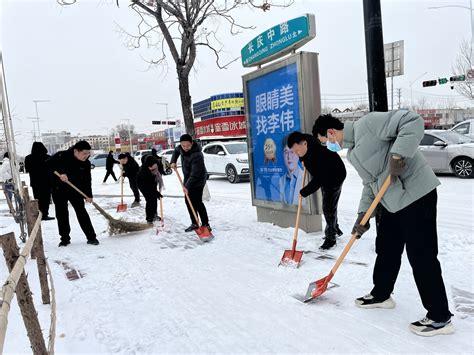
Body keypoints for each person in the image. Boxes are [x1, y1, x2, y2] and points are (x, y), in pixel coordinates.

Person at [312, 111, 454, 337]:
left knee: (421, 254)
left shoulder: (368, 124)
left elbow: (412, 121)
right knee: (386, 248)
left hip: (416, 194)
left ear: (330, 132)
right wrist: (363, 215)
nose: (329, 146)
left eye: (325, 142)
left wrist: (399, 154)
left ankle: (440, 317)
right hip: (391, 201)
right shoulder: (354, 153)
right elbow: (370, 184)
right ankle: (382, 294)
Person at [287, 129, 346, 250]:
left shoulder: (319, 154)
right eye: (294, 152)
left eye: (298, 151)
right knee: (330, 203)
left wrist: (304, 192)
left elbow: (319, 179)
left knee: (328, 207)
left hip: (335, 175)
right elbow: (304, 156)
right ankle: (335, 227)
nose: (297, 154)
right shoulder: (306, 144)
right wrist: (302, 159)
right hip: (325, 174)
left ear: (304, 143)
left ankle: (331, 238)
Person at [47, 141, 99, 246]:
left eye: (88, 153)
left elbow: (87, 180)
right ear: (76, 151)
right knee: (62, 214)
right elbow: (47, 165)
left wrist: (88, 195)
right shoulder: (61, 156)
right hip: (59, 190)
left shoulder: (86, 163)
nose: (86, 156)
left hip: (75, 190)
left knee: (81, 212)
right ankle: (64, 239)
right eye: (84, 153)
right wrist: (60, 173)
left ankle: (91, 237)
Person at [170, 134, 210, 232]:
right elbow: (176, 151)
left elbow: (195, 174)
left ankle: (206, 224)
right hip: (188, 178)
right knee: (188, 201)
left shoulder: (197, 155)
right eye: (183, 146)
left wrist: (186, 186)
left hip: (198, 179)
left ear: (192, 143)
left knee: (197, 201)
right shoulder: (181, 148)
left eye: (188, 145)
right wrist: (173, 161)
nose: (185, 148)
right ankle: (195, 223)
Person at [24, 142, 54, 220]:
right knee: (46, 199)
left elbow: (27, 169)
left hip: (35, 182)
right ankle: (44, 215)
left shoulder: (28, 158)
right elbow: (52, 169)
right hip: (47, 182)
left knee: (37, 198)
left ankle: (39, 214)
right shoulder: (48, 157)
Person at [137, 155, 164, 224]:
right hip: (143, 185)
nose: (152, 168)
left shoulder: (156, 164)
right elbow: (148, 185)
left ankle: (154, 215)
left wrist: (155, 192)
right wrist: (156, 192)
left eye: (153, 166)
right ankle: (149, 218)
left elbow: (159, 172)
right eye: (150, 167)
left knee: (154, 199)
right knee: (149, 200)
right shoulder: (143, 171)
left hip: (152, 182)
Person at [280, 135, 305, 205]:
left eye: (292, 152)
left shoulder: (305, 178)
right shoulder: (281, 180)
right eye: (286, 152)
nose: (289, 157)